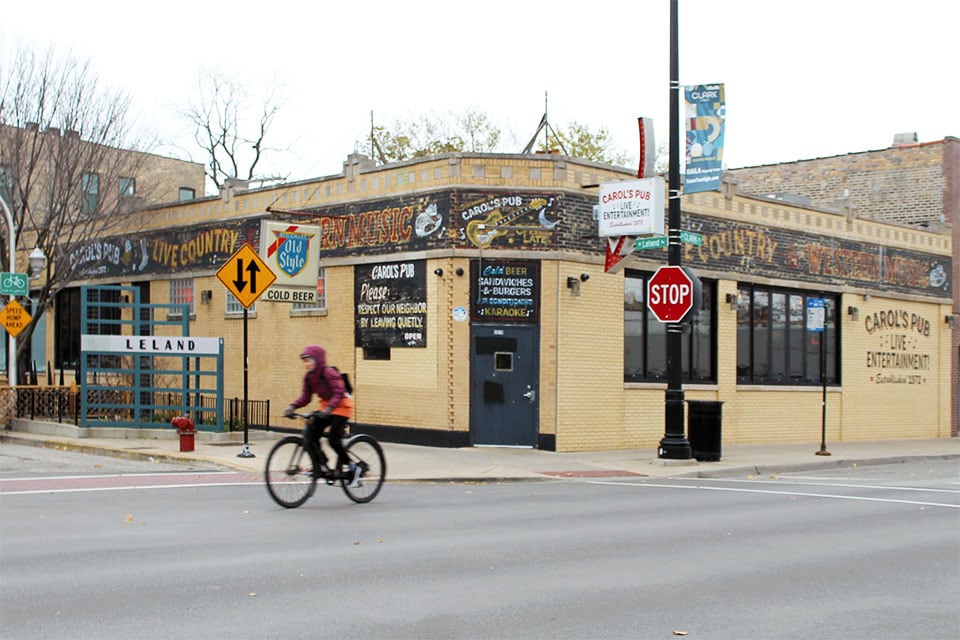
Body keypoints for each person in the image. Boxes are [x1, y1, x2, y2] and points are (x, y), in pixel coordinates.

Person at [283, 344, 360, 487]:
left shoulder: (329, 373)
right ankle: (321, 465)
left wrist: (330, 407)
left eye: (309, 360)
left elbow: (339, 392)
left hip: (341, 406)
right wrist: (292, 406)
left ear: (318, 360)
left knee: (333, 440)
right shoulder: (309, 377)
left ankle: (352, 467)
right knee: (310, 434)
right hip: (326, 407)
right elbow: (306, 397)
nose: (307, 364)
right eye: (305, 361)